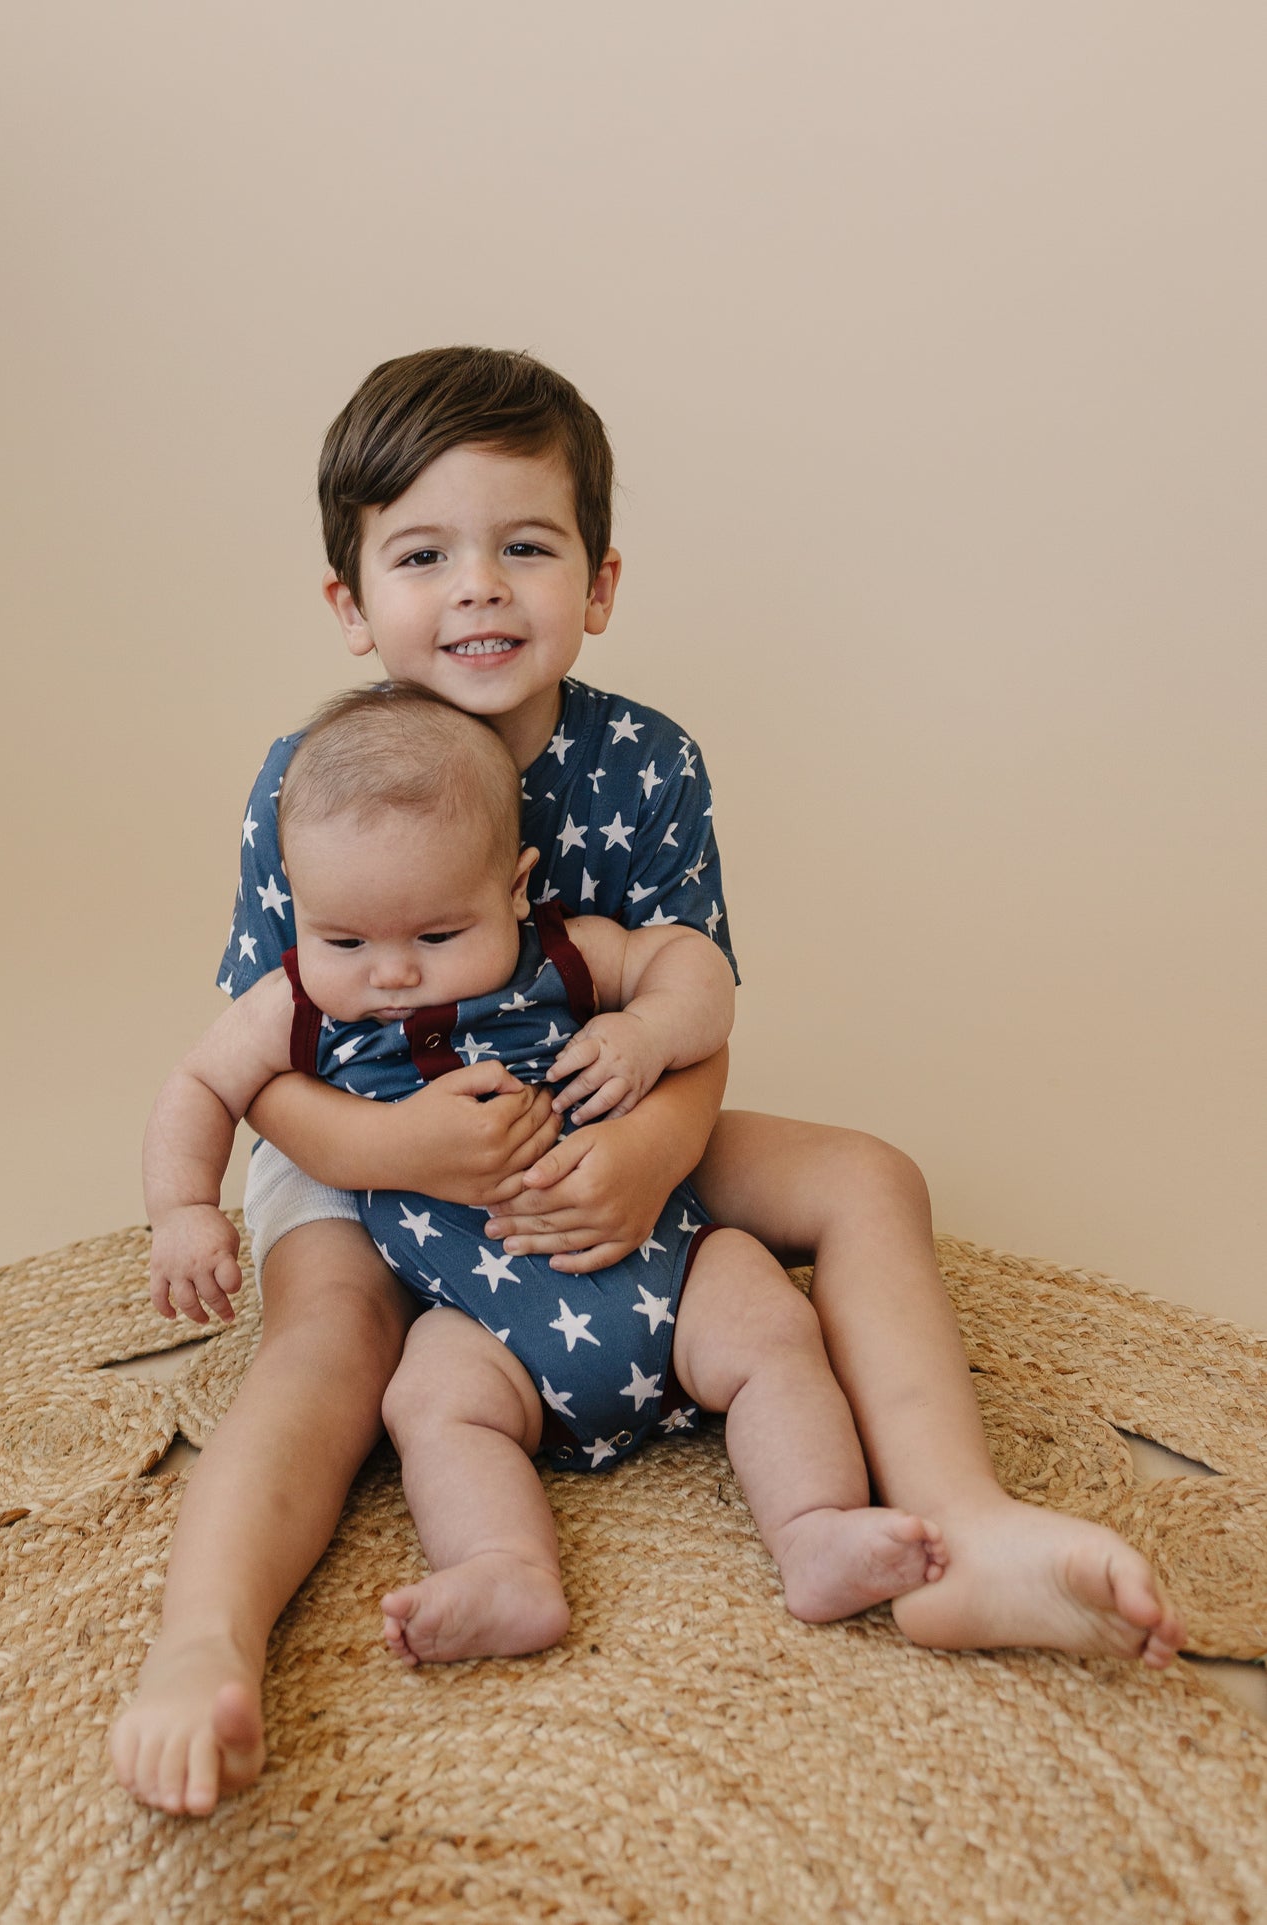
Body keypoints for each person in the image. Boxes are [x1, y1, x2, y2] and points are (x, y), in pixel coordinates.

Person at [111, 345, 1182, 1819]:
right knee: (326, 1347)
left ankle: (962, 1523)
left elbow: (692, 1000)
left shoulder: (644, 766)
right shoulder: (310, 773)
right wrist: (396, 1146)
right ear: (351, 605)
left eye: (524, 546)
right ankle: (202, 1638)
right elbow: (257, 1055)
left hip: (599, 1113)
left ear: (598, 584)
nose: (479, 587)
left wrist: (648, 1148)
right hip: (366, 1138)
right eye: (424, 554)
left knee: (869, 1174)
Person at [141, 683, 951, 1674]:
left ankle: (814, 1524)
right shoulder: (297, 1006)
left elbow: (690, 966)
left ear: (515, 888)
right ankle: (504, 1565)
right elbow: (201, 1082)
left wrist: (646, 1029)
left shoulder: (560, 953)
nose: (390, 971)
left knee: (766, 1319)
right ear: (302, 914)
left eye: (436, 935)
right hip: (479, 1322)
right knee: (428, 1398)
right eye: (343, 940)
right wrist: (182, 1207)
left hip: (666, 1267)